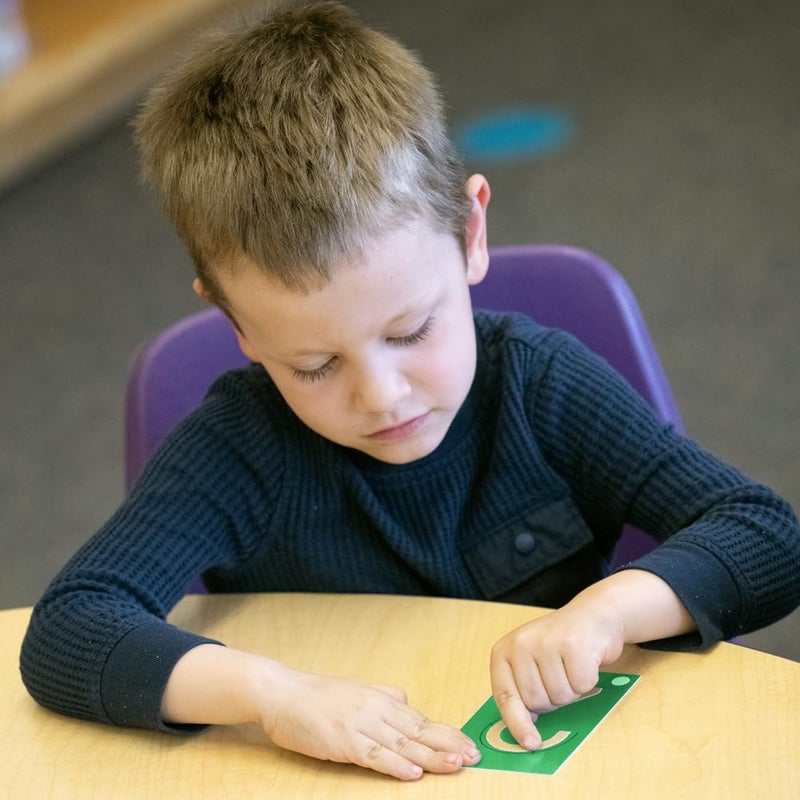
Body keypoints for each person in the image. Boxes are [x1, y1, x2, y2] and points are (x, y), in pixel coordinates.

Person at [20, 0, 800, 783]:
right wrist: (270, 693)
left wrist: (608, 612)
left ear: (470, 234)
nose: (383, 396)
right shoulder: (236, 451)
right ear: (238, 326)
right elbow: (71, 628)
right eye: (315, 366)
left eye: (409, 331)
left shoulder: (541, 384)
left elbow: (766, 536)